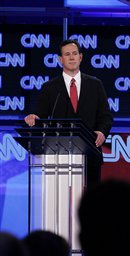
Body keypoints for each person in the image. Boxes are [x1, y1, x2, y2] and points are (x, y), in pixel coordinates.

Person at [24, 39, 113, 189]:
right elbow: (40, 116)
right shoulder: (50, 88)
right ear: (60, 59)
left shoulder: (95, 84)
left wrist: (101, 131)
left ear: (81, 57)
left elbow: (106, 116)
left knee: (90, 205)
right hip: (58, 155)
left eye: (74, 53)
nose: (71, 57)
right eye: (67, 54)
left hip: (89, 154)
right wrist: (34, 118)